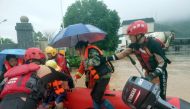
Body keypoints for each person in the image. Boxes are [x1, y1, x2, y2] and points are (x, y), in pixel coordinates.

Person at [106, 20, 170, 100]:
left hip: (159, 75)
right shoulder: (134, 45)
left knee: (160, 99)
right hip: (148, 73)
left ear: (139, 35)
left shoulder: (153, 44)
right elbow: (122, 54)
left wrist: (152, 75)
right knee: (147, 97)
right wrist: (106, 58)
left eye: (131, 35)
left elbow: (163, 63)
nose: (129, 37)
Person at [0, 47, 69, 109]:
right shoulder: (43, 68)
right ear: (42, 59)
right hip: (26, 102)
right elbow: (65, 77)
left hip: (3, 103)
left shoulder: (11, 72)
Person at [74, 41, 114, 109]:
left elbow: (97, 61)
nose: (77, 53)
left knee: (97, 97)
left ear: (82, 48)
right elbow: (82, 68)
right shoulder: (85, 55)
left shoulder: (92, 51)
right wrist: (76, 76)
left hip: (102, 77)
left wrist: (85, 61)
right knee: (94, 96)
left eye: (77, 50)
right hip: (94, 80)